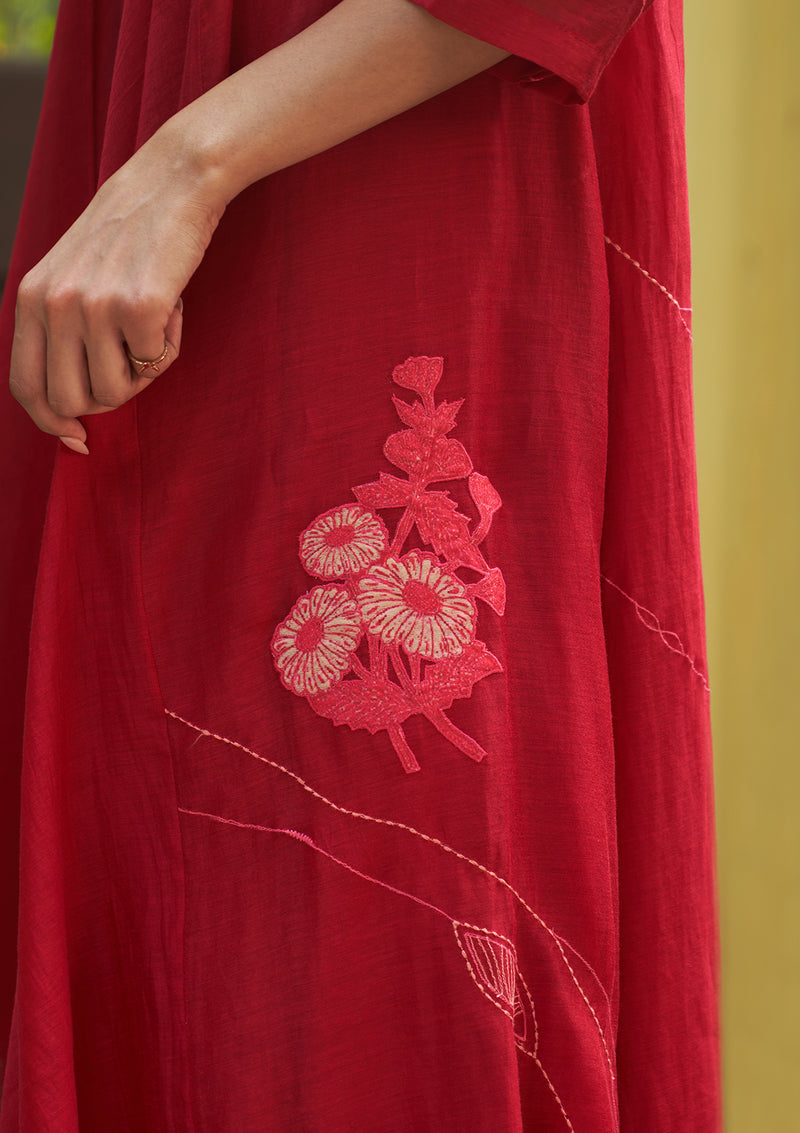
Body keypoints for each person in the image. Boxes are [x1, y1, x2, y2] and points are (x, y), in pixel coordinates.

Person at [0, 1, 721, 1129]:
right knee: (171, 868)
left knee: (372, 934)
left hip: (387, 207)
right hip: (161, 216)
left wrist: (188, 164)